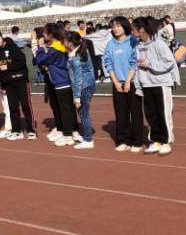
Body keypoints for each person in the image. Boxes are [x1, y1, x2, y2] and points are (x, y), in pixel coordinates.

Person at [133, 17, 179, 155]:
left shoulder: (159, 43)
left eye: (134, 28)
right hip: (147, 84)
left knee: (163, 113)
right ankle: (156, 141)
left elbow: (169, 62)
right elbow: (138, 67)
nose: (132, 31)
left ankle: (166, 142)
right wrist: (139, 83)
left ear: (142, 29)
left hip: (161, 83)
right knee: (151, 114)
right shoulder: (138, 46)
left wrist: (149, 64)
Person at [103, 16, 142, 152]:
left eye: (118, 25)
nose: (115, 28)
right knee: (121, 113)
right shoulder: (110, 44)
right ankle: (123, 140)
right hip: (117, 83)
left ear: (125, 26)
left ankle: (137, 141)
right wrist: (115, 82)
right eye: (113, 26)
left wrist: (128, 80)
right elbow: (108, 63)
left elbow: (135, 61)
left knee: (136, 113)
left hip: (132, 82)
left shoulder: (133, 41)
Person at [0, 29, 35, 140]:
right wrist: (1, 84)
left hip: (21, 81)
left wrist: (8, 67)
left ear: (1, 36)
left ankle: (31, 130)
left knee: (26, 106)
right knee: (13, 108)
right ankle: (16, 131)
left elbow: (22, 61)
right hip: (8, 84)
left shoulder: (12, 46)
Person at [33, 24, 75, 145]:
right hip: (64, 81)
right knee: (66, 109)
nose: (44, 36)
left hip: (62, 82)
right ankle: (69, 132)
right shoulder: (61, 45)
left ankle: (68, 136)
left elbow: (40, 59)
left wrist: (40, 46)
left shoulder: (55, 50)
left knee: (65, 110)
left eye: (45, 33)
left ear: (50, 35)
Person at [64, 31, 96, 149]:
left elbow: (78, 79)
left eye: (65, 41)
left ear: (70, 43)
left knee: (83, 114)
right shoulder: (80, 51)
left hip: (83, 87)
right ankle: (87, 136)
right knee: (83, 113)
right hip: (87, 85)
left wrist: (77, 97)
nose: (63, 43)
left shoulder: (76, 58)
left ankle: (88, 140)